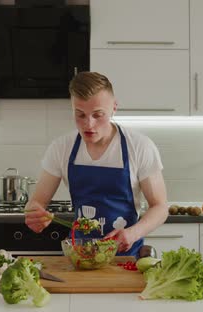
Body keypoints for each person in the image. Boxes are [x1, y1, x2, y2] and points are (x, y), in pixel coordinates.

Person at [24, 71, 168, 257]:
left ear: (114, 108)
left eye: (98, 115)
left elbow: (160, 207)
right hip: (80, 255)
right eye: (80, 115)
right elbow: (36, 203)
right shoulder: (61, 148)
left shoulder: (139, 146)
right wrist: (34, 214)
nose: (89, 125)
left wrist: (133, 233)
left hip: (126, 255)